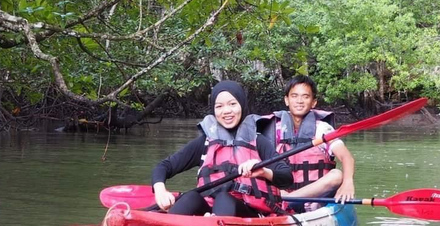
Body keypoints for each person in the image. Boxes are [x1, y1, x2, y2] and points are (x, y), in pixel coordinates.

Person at [151, 80, 293, 217]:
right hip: (212, 209)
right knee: (190, 197)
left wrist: (264, 171)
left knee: (224, 198)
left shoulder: (258, 141)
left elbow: (287, 177)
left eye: (232, 104)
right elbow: (164, 166)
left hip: (248, 211)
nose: (226, 111)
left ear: (242, 105)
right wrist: (160, 190)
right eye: (219, 106)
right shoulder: (205, 143)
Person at [258, 75, 355, 207]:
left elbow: (346, 157)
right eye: (294, 96)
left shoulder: (323, 129)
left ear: (314, 102)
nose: (299, 101)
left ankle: (288, 200)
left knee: (337, 175)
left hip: (315, 197)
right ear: (286, 100)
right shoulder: (273, 130)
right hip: (281, 191)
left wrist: (347, 183)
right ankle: (283, 200)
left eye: (305, 96)